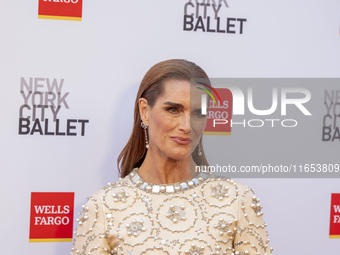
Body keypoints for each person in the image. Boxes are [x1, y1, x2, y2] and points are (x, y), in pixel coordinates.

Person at [71, 59, 272, 255]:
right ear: (145, 111)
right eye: (173, 110)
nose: (186, 125)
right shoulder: (103, 208)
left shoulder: (236, 201)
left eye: (198, 113)